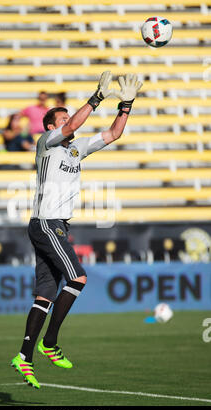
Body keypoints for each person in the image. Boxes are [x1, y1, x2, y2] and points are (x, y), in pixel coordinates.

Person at [11, 72, 143, 389]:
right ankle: (50, 343)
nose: (68, 120)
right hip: (46, 222)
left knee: (44, 295)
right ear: (49, 126)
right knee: (78, 277)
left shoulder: (76, 149)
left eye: (68, 115)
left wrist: (126, 104)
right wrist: (96, 97)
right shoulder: (47, 143)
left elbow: (113, 134)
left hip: (55, 225)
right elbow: (70, 128)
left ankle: (23, 358)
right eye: (62, 117)